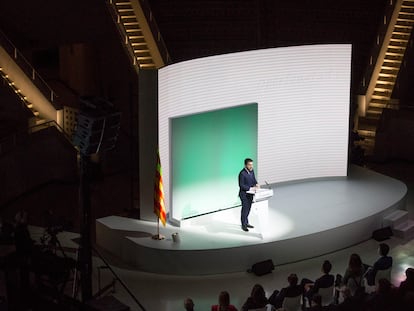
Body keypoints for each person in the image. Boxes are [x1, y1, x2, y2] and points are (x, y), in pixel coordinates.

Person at [239, 158, 259, 232]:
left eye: (252, 165)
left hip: (250, 194)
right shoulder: (242, 173)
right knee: (245, 210)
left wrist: (256, 184)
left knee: (248, 209)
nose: (251, 166)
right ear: (245, 165)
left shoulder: (252, 171)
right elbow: (241, 185)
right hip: (244, 195)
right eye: (249, 165)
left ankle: (246, 222)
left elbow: (253, 179)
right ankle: (243, 225)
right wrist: (251, 188)